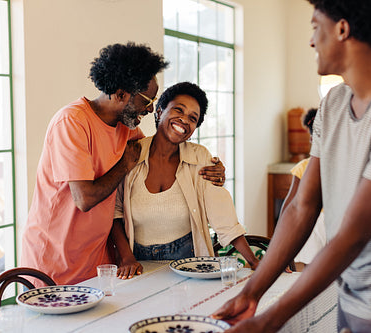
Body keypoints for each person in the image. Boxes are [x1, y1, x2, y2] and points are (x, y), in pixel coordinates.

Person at [212, 1, 371, 332]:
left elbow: (352, 235)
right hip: (351, 293)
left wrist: (270, 320)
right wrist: (252, 292)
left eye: (316, 26)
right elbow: (303, 205)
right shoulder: (334, 103)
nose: (311, 40)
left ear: (342, 29)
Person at [21, 43, 225, 286]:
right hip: (54, 259)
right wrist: (124, 165)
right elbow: (84, 199)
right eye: (147, 100)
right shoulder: (71, 122)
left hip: (98, 260)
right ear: (120, 94)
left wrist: (211, 167)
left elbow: (161, 151)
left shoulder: (127, 129)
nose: (151, 109)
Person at [110, 82, 260, 279]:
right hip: (138, 260)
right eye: (178, 110)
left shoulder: (200, 158)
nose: (184, 120)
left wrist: (254, 261)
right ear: (159, 112)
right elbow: (116, 212)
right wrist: (126, 258)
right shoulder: (132, 153)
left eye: (192, 118)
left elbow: (224, 219)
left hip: (189, 259)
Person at [279, 108, 326, 271]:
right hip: (313, 227)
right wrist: (280, 246)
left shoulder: (347, 165)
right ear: (312, 140)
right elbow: (288, 207)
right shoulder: (304, 167)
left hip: (338, 226)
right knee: (311, 270)